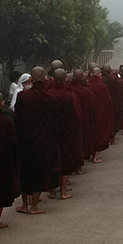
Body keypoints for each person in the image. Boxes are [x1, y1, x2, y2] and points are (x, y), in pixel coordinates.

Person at [14, 67, 59, 215]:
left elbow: (17, 118)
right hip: (44, 140)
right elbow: (54, 120)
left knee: (25, 171)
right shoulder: (50, 98)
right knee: (40, 172)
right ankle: (34, 206)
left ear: (32, 80)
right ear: (45, 79)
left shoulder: (23, 96)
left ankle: (24, 205)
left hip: (25, 140)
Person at [0, 91, 21, 230]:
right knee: (1, 190)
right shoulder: (6, 121)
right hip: (3, 160)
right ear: (2, 104)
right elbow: (13, 142)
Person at [48, 68, 83, 200]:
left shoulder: (48, 94)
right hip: (66, 132)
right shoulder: (69, 96)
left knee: (52, 160)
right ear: (65, 79)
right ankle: (63, 192)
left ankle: (52, 192)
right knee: (66, 160)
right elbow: (76, 116)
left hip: (51, 133)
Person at [87, 67, 114, 163]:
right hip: (100, 112)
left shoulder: (87, 85)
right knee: (100, 133)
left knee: (90, 132)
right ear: (99, 74)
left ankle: (90, 154)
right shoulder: (102, 86)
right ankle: (96, 156)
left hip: (89, 113)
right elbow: (107, 100)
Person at [69, 69, 97, 166]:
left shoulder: (69, 90)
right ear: (82, 78)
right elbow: (92, 107)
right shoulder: (86, 92)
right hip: (85, 119)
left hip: (71, 122)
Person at [102, 64, 123, 141]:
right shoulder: (114, 79)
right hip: (114, 101)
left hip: (103, 102)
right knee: (113, 119)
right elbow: (118, 92)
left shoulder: (102, 80)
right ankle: (112, 138)